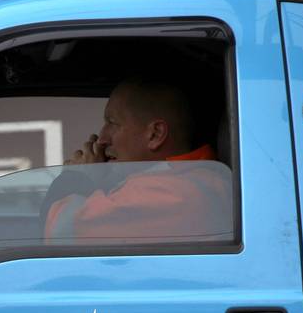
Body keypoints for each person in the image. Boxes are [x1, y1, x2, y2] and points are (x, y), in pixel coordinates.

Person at [43, 77, 231, 244]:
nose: (101, 139)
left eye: (113, 122)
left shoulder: (169, 192)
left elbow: (58, 232)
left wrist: (77, 176)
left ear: (155, 134)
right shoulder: (198, 179)